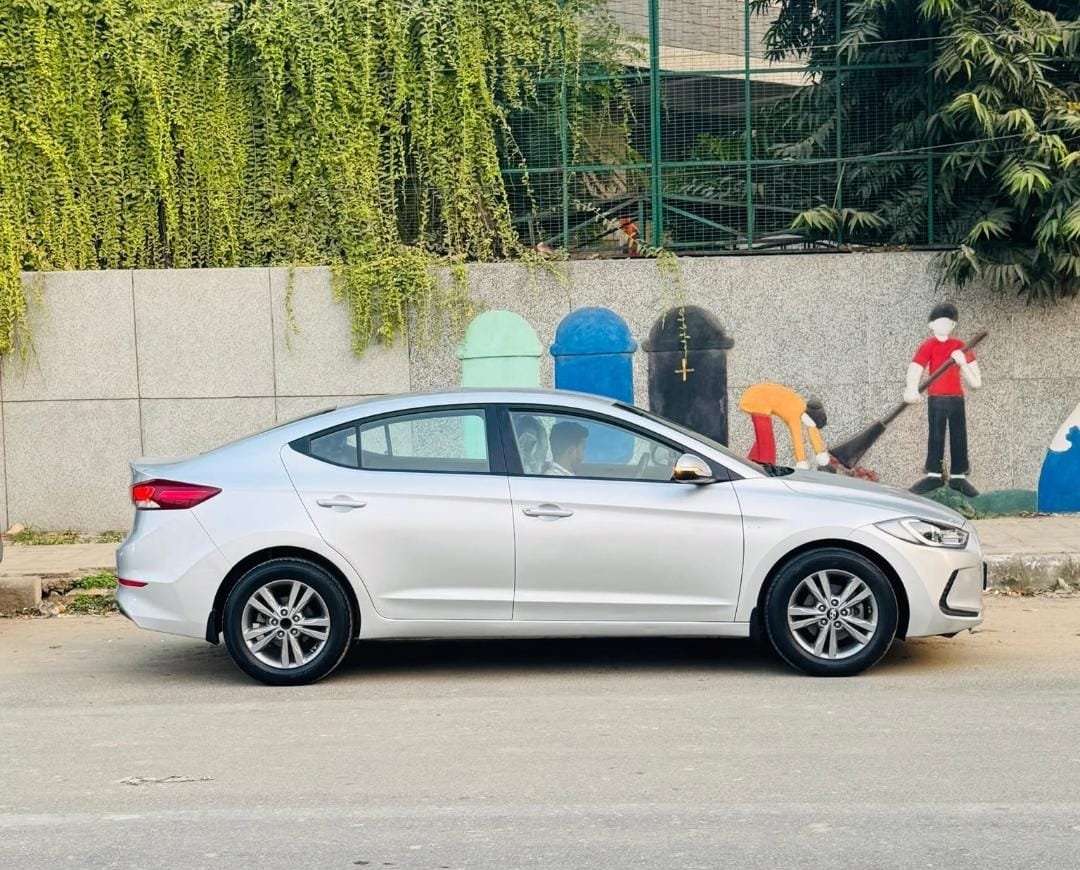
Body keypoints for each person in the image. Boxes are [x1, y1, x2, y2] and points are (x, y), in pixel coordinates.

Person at [904, 302, 982, 496]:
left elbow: (976, 382)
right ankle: (933, 474)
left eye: (948, 323)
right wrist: (911, 388)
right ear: (931, 325)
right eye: (940, 322)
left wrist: (962, 363)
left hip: (956, 398)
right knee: (936, 435)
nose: (944, 326)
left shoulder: (960, 346)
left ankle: (958, 476)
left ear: (953, 325)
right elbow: (916, 367)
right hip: (936, 399)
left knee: (959, 435)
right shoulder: (928, 345)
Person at [738, 383, 829, 470]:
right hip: (757, 400)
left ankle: (752, 463)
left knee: (763, 439)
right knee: (766, 442)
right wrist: (801, 461)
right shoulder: (795, 415)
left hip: (756, 398)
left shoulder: (801, 406)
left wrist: (819, 452)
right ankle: (765, 467)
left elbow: (813, 433)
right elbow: (797, 438)